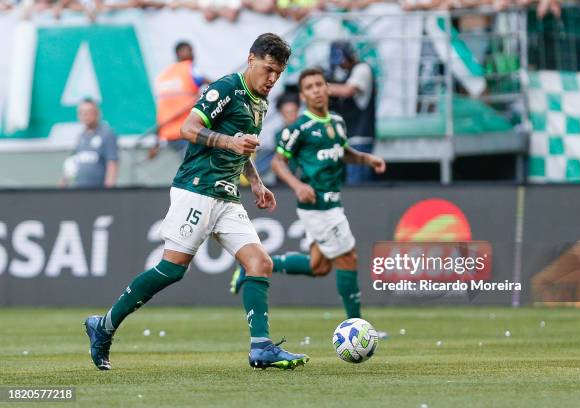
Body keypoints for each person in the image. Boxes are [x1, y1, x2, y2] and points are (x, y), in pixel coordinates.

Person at [84, 33, 309, 371]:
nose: (272, 79)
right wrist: (230, 143)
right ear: (251, 60)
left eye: (278, 72)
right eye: (268, 69)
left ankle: (261, 347)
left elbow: (241, 147)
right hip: (197, 189)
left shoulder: (260, 102)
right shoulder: (225, 88)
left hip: (227, 195)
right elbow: (188, 129)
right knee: (171, 270)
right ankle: (104, 326)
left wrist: (258, 183)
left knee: (260, 263)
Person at [230, 68, 386, 320]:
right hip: (318, 206)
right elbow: (279, 163)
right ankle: (357, 327)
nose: (315, 91)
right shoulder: (299, 128)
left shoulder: (336, 121)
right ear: (303, 96)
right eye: (309, 87)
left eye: (319, 85)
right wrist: (298, 186)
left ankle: (251, 267)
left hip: (333, 203)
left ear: (327, 88)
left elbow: (342, 151)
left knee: (319, 266)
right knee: (348, 257)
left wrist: (368, 160)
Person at [327, 41, 377, 185]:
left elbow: (348, 90)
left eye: (342, 60)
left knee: (357, 184)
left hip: (360, 138)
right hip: (346, 139)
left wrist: (320, 87)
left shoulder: (362, 68)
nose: (340, 65)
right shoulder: (343, 74)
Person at [149, 41, 208, 159]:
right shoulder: (188, 67)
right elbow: (207, 82)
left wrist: (156, 143)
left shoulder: (163, 75)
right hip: (188, 129)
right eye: (189, 51)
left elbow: (161, 110)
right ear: (179, 53)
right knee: (198, 167)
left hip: (169, 133)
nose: (193, 54)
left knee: (192, 167)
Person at [59, 98, 119, 188]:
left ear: (97, 113)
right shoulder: (81, 137)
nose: (85, 115)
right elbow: (72, 163)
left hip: (98, 191)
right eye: (82, 113)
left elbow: (112, 163)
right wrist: (63, 184)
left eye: (89, 112)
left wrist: (109, 190)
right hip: (80, 190)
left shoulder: (106, 134)